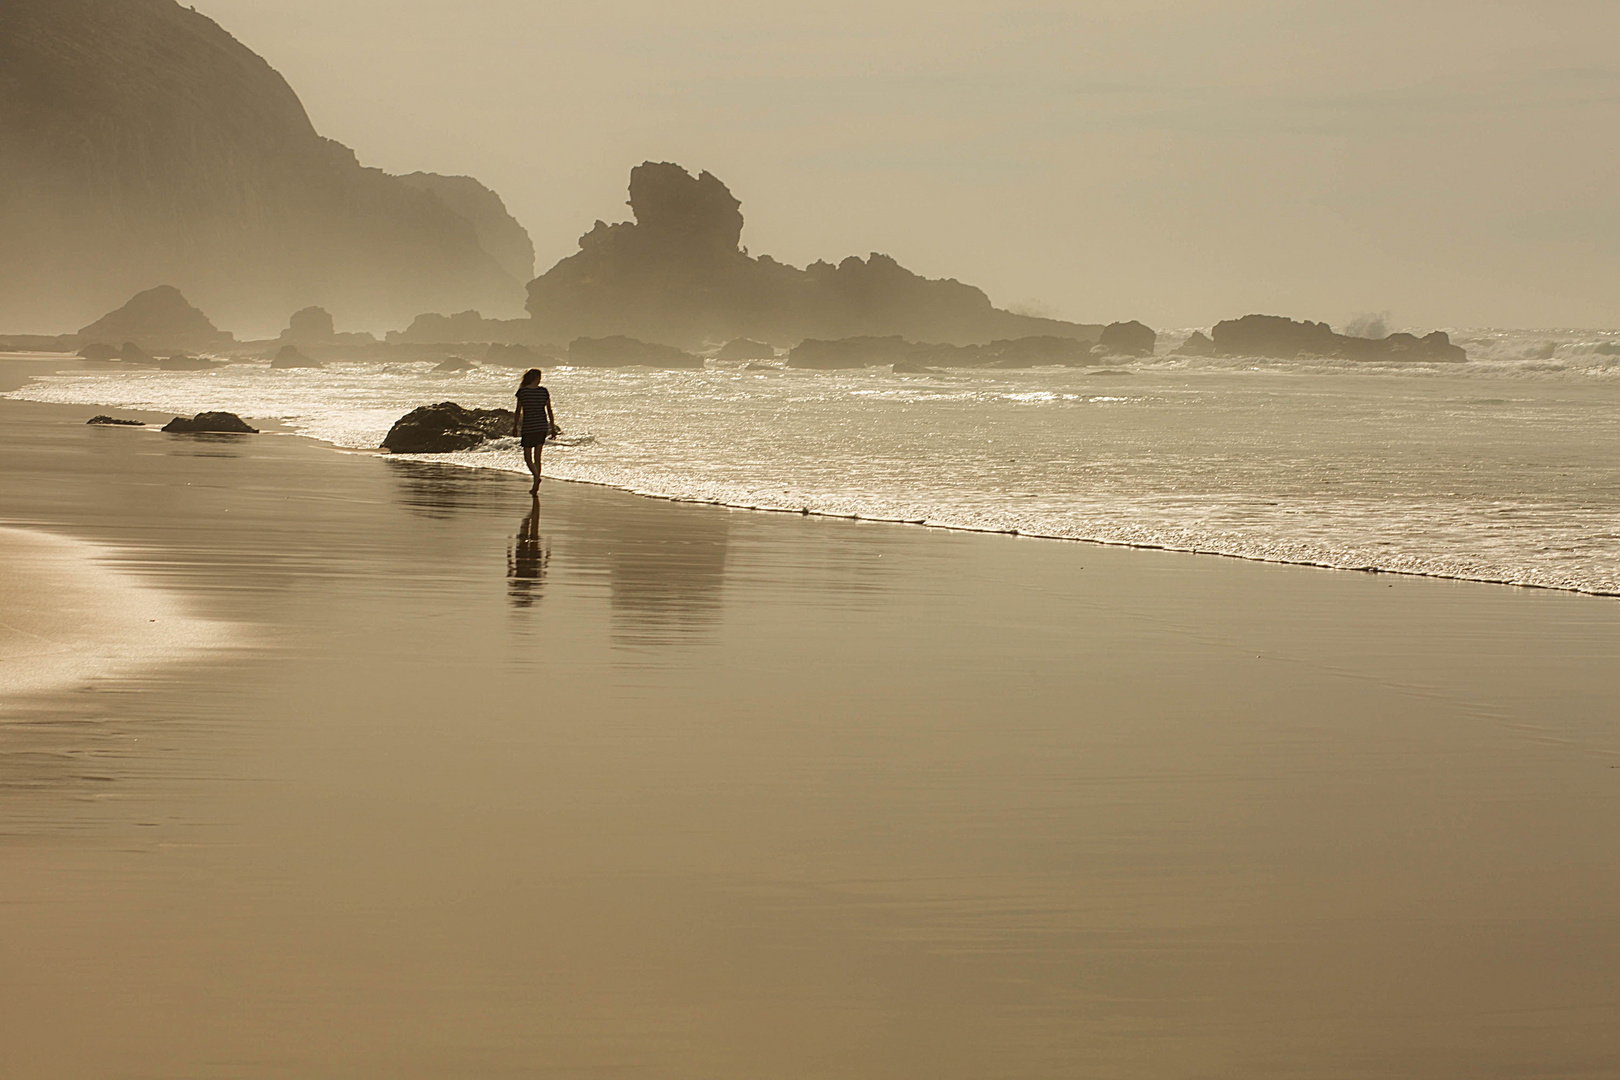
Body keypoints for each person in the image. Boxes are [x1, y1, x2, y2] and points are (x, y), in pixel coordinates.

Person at [512, 368, 559, 495]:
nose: (540, 380)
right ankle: (536, 481)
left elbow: (518, 411)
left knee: (528, 458)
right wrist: (552, 428)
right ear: (536, 378)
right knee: (537, 458)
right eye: (539, 377)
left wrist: (515, 426)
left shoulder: (522, 391)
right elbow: (549, 410)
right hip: (541, 426)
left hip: (528, 427)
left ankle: (536, 479)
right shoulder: (543, 391)